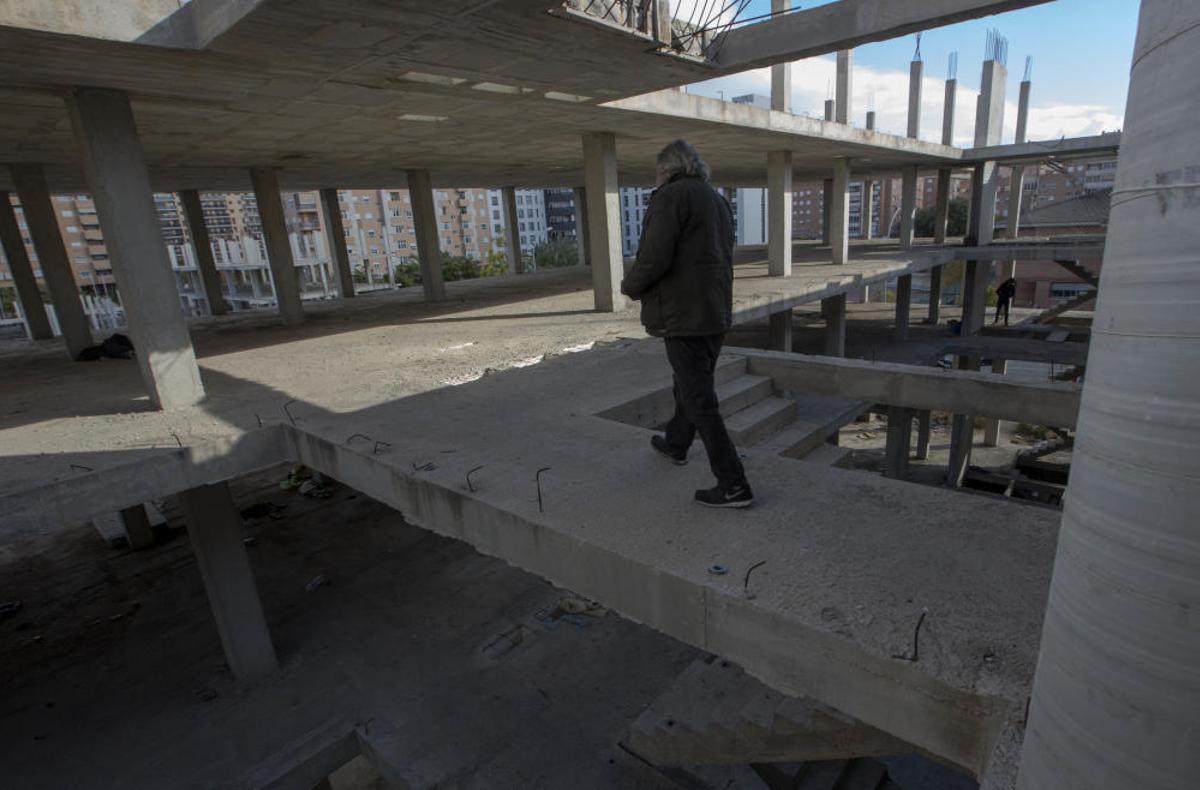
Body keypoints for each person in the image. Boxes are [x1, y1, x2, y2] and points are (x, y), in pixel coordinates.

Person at [619, 140, 754, 509]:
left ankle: (733, 484)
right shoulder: (716, 199)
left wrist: (631, 287)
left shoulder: (670, 197)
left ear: (667, 168)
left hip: (684, 315)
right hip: (713, 312)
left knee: (699, 399)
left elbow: (653, 255)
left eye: (657, 169)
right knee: (689, 383)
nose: (655, 175)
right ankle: (676, 443)